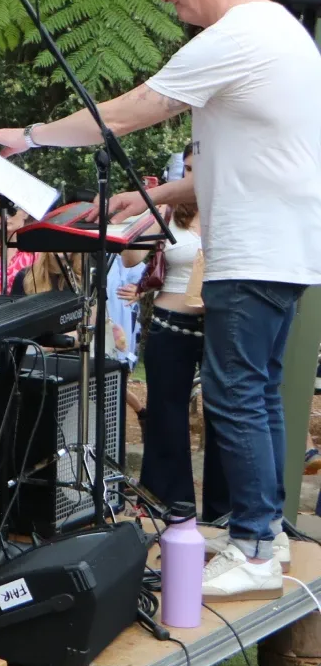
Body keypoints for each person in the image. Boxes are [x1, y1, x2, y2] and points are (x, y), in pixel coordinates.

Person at [0, 0, 321, 596]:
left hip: (252, 251)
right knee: (256, 390)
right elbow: (249, 159)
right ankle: (263, 532)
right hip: (282, 250)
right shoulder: (282, 29)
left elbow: (131, 110)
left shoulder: (238, 33)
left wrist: (30, 136)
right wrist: (152, 195)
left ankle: (254, 548)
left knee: (234, 392)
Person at [125, 166, 229, 517]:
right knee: (167, 415)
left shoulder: (231, 209)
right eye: (186, 169)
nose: (192, 175)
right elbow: (130, 257)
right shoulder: (168, 211)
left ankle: (223, 511)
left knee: (224, 416)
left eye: (197, 168)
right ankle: (169, 505)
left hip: (219, 326)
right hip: (171, 323)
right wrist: (149, 211)